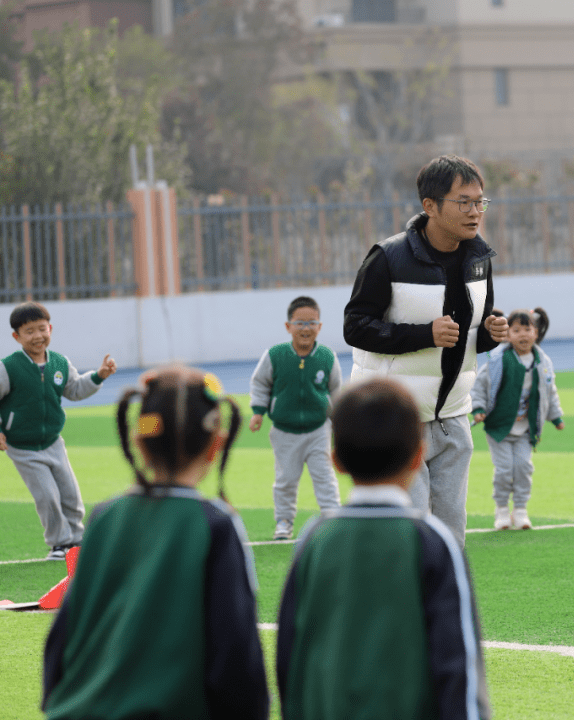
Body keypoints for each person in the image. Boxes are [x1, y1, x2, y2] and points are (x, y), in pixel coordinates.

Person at [42, 366, 269, 720]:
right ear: (216, 443)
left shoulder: (104, 518)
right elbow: (234, 647)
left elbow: (65, 633)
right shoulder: (216, 525)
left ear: (138, 441)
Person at [277, 377, 492, 720]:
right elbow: (458, 663)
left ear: (336, 461)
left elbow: (291, 659)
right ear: (417, 455)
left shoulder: (314, 540)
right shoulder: (434, 542)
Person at [343, 154, 510, 547]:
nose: (475, 212)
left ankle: (444, 606)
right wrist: (423, 335)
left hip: (453, 417)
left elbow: (470, 334)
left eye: (480, 202)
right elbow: (355, 327)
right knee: (408, 532)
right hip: (399, 418)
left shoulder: (480, 260)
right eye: (463, 202)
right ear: (430, 207)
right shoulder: (387, 257)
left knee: (452, 533)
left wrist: (491, 332)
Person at [0, 302, 116, 560]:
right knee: (48, 495)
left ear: (50, 329)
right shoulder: (8, 368)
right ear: (16, 337)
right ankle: (59, 544)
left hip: (53, 442)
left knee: (70, 493)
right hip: (23, 447)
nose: (37, 336)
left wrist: (98, 375)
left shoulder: (60, 363)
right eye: (29, 331)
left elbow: (75, 389)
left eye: (42, 329)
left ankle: (76, 539)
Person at [250, 295, 342, 540]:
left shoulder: (327, 357)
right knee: (286, 479)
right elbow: (260, 383)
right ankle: (284, 521)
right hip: (284, 431)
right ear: (288, 326)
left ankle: (332, 516)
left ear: (319, 327)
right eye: (299, 323)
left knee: (324, 476)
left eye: (311, 323)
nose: (305, 328)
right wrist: (258, 412)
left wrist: (340, 418)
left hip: (318, 429)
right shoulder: (275, 355)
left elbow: (336, 391)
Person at [471, 307, 564, 530]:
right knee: (504, 469)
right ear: (507, 335)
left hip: (526, 428)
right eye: (516, 330)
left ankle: (520, 509)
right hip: (499, 426)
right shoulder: (498, 360)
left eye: (527, 329)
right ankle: (502, 509)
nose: (522, 334)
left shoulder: (542, 362)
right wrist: (478, 408)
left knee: (523, 467)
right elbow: (481, 386)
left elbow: (549, 390)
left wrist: (555, 415)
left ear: (536, 332)